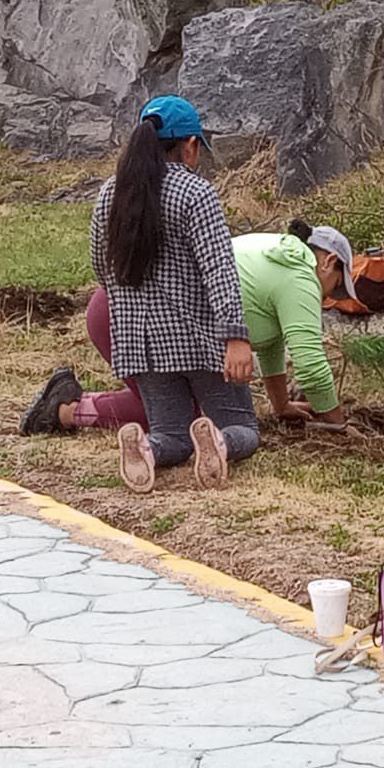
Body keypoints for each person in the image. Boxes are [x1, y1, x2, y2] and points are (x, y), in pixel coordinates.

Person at [21, 219, 357, 436]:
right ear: (328, 261)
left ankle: (69, 401)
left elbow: (269, 343)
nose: (330, 298)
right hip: (126, 314)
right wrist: (339, 425)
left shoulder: (274, 254)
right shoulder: (301, 278)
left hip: (118, 306)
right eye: (337, 286)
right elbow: (311, 366)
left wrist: (281, 405)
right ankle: (65, 410)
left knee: (185, 410)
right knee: (181, 416)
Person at [82, 94, 257, 492]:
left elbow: (100, 266)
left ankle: (147, 449)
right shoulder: (195, 193)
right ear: (190, 145)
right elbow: (220, 270)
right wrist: (235, 337)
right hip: (197, 340)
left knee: (172, 435)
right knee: (241, 425)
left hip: (139, 345)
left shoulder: (111, 193)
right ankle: (219, 442)